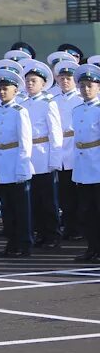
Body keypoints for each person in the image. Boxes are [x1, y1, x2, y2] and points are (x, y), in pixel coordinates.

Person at [0, 69, 34, 257]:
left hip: (15, 162)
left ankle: (24, 243)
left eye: (5, 88)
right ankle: (11, 243)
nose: (1, 92)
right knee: (7, 208)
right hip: (1, 163)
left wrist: (22, 168)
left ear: (15, 90)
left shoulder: (20, 111)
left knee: (20, 209)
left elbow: (25, 141)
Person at [21, 61, 62, 249]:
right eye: (28, 81)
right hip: (27, 156)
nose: (30, 84)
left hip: (43, 153)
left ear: (43, 84)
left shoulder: (48, 103)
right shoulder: (22, 104)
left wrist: (55, 159)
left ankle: (52, 234)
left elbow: (55, 133)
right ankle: (39, 232)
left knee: (48, 199)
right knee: (34, 198)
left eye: (34, 81)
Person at [70, 65, 100, 262]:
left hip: (97, 164)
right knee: (86, 211)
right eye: (82, 86)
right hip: (82, 165)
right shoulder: (77, 109)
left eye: (90, 86)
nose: (86, 90)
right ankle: (92, 248)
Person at [53, 60, 84, 240]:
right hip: (60, 149)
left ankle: (80, 228)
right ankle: (69, 226)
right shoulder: (54, 100)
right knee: (65, 194)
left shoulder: (80, 98)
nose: (65, 81)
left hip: (76, 148)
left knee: (79, 193)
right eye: (62, 78)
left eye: (69, 78)